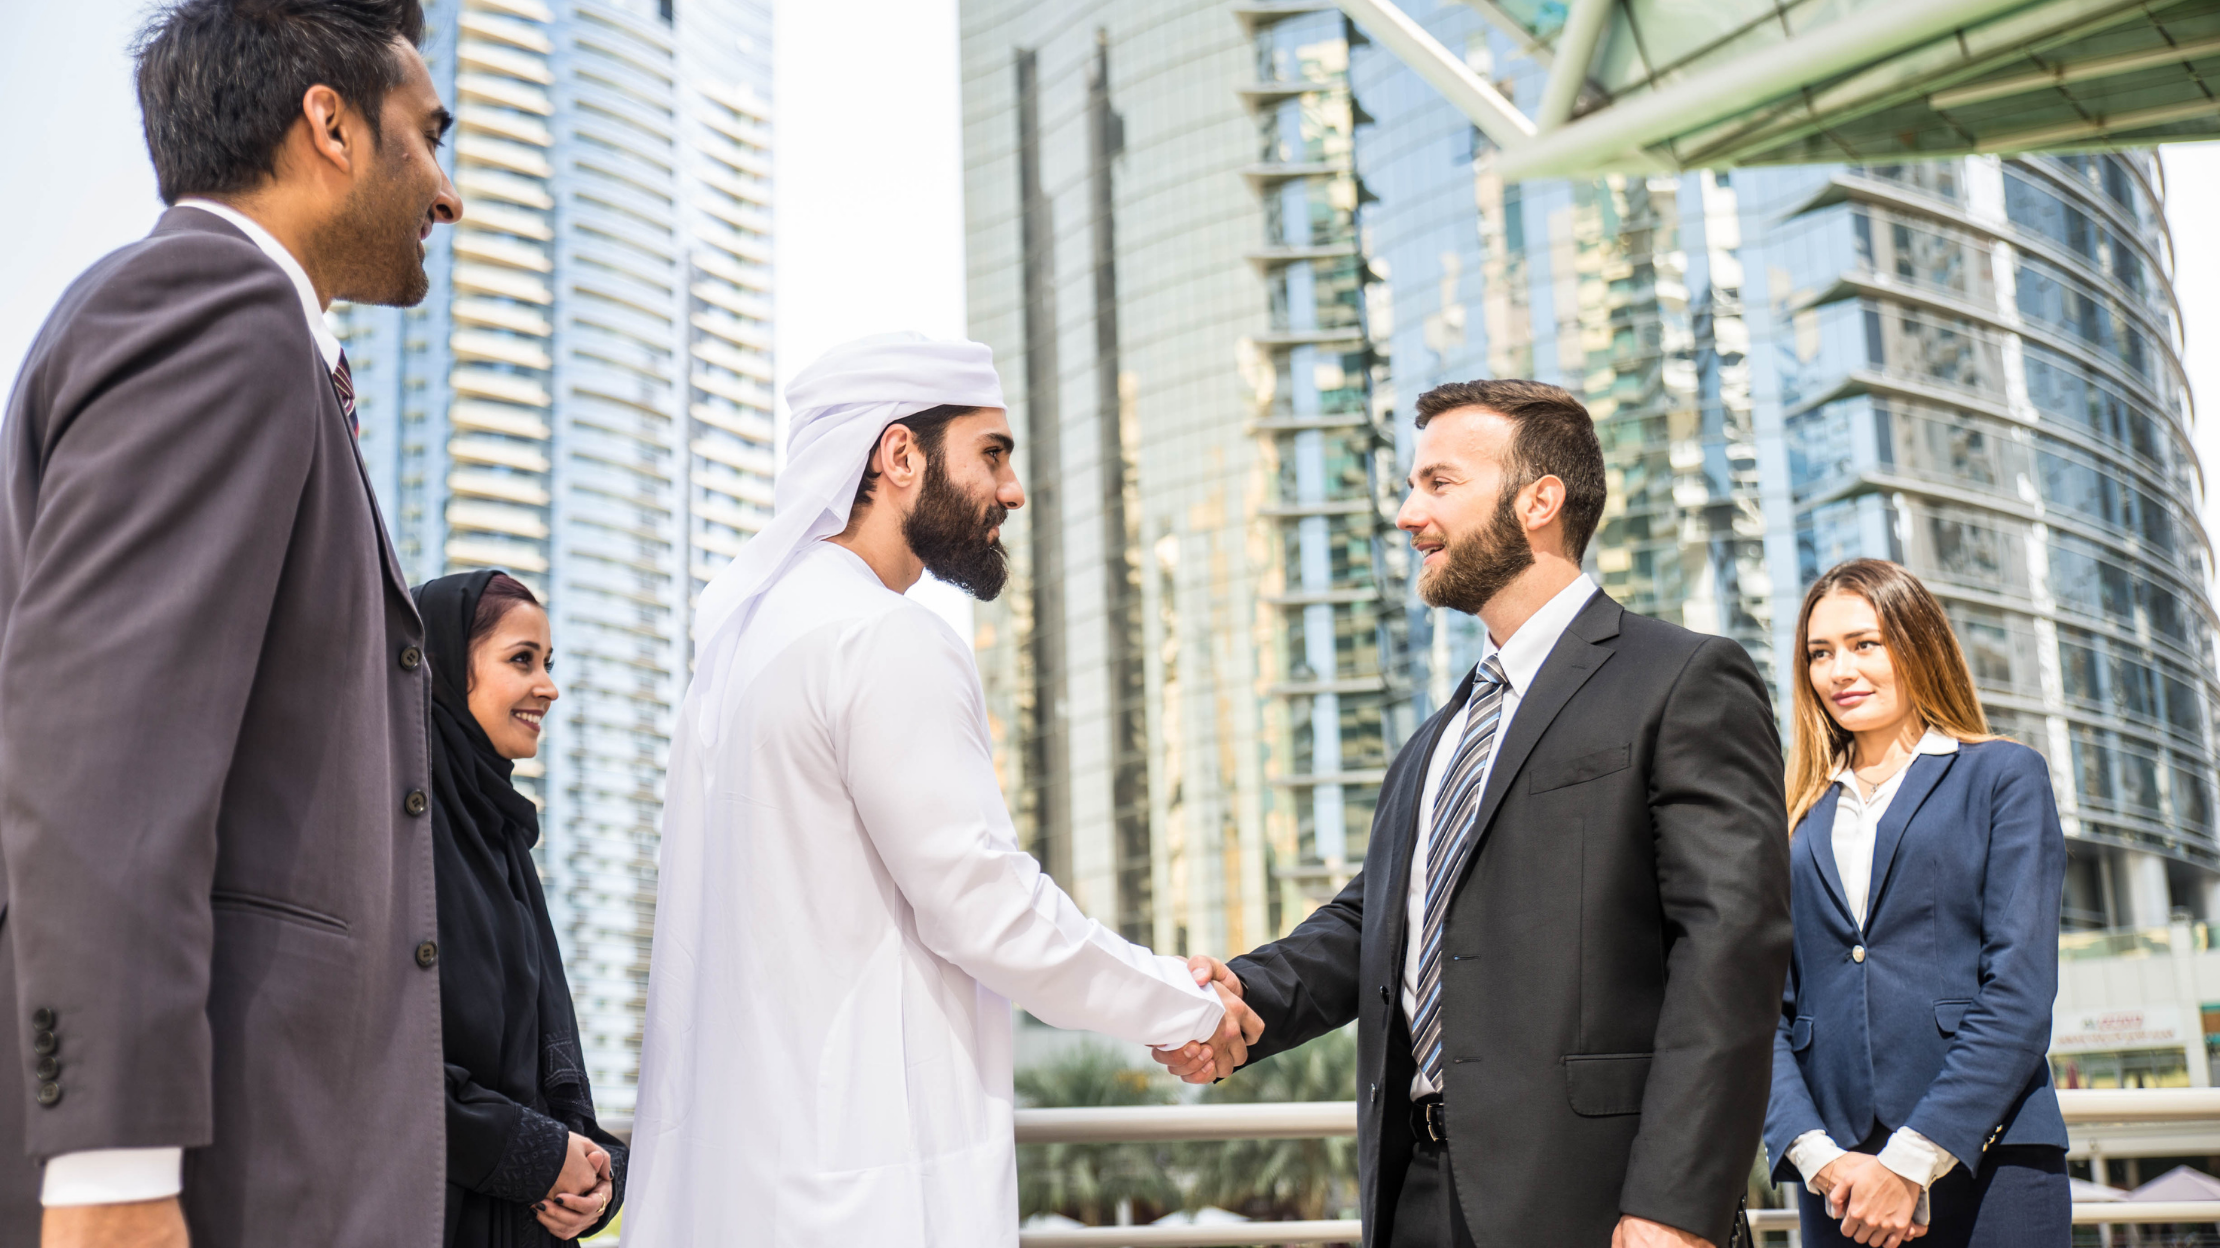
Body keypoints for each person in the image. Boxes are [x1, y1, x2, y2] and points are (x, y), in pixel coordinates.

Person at [626, 332, 1260, 1247]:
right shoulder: (882, 639)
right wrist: (1188, 1004)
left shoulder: (743, 651)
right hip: (865, 1201)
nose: (1013, 491)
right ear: (898, 455)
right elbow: (986, 909)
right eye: (992, 454)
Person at [0, 3, 463, 1246]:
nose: (450, 190)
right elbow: (96, 752)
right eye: (429, 136)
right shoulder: (217, 310)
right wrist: (108, 1171)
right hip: (219, 1182)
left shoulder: (238, 331)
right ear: (330, 124)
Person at [1163, 379, 1793, 1248]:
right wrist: (1246, 995)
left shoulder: (1682, 680)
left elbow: (1730, 953)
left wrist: (1675, 1204)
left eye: (1438, 483)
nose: (1407, 513)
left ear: (1539, 500)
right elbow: (1374, 921)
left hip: (1600, 1202)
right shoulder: (1438, 737)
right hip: (1417, 1195)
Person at [1764, 559, 2068, 1248]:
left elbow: (2019, 991)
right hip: (1840, 1182)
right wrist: (1817, 1155)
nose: (1840, 670)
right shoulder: (1790, 815)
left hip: (1989, 1164)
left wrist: (1908, 1165)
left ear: (1918, 644)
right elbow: (1761, 1009)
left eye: (1864, 644)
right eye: (1820, 653)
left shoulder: (2002, 777)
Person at [413, 571, 627, 1246]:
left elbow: (551, 1073)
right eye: (521, 660)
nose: (549, 686)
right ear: (447, 667)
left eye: (548, 663)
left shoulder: (504, 842)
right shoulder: (399, 834)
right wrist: (534, 1153)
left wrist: (599, 1181)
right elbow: (370, 1058)